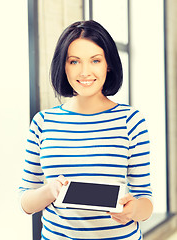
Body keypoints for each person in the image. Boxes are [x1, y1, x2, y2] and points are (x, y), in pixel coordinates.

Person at [19, 20, 153, 240]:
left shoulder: (131, 120)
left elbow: (145, 199)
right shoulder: (43, 122)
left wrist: (134, 210)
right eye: (74, 61)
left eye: (95, 60)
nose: (84, 72)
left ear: (107, 64)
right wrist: (50, 191)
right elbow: (25, 201)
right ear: (63, 65)